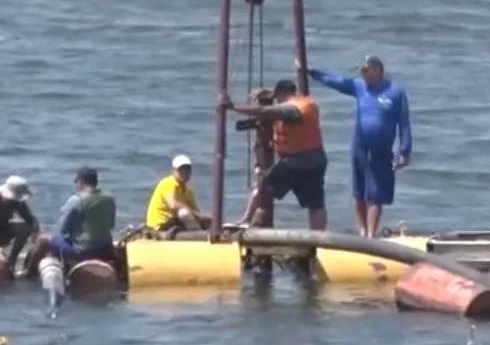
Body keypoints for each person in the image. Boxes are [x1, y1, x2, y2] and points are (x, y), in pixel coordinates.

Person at [305, 54, 412, 237]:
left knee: (376, 194)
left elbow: (403, 122)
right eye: (361, 71)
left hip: (381, 149)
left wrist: (405, 150)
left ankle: (371, 234)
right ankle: (362, 231)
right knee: (359, 191)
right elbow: (336, 81)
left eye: (366, 71)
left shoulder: (395, 92)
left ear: (377, 70)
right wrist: (312, 73)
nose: (362, 75)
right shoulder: (359, 87)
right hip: (360, 145)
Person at [220, 79, 328, 231]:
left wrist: (232, 107)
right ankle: (318, 234)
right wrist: (270, 92)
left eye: (276, 97)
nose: (276, 100)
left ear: (281, 94)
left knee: (263, 186)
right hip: (317, 160)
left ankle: (246, 220)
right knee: (316, 203)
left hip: (295, 162)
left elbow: (262, 111)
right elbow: (283, 99)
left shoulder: (289, 109)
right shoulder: (307, 103)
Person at [145, 154, 212, 238]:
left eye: (187, 169)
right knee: (184, 213)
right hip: (160, 226)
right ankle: (202, 237)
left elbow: (196, 212)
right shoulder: (168, 183)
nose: (185, 172)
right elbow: (173, 205)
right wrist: (196, 215)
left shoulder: (188, 191)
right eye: (181, 170)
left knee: (209, 219)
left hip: (176, 223)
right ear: (173, 171)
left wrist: (206, 219)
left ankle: (212, 235)